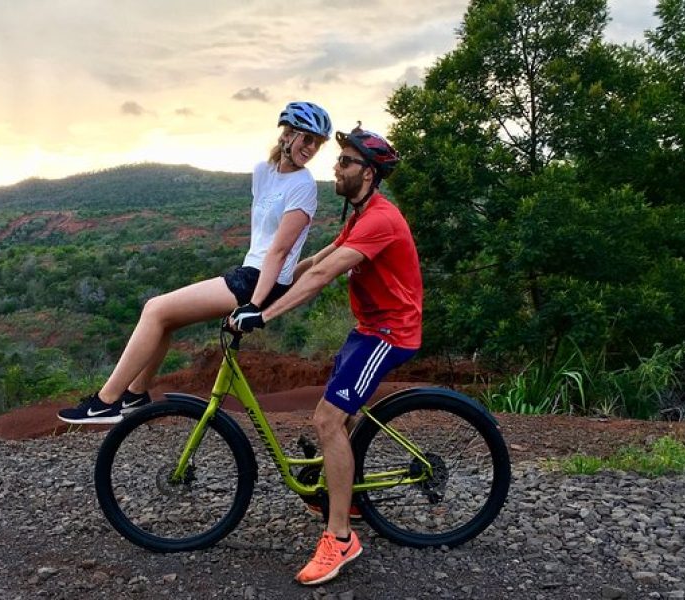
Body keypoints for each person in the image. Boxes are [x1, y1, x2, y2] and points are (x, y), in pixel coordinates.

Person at [229, 125, 423, 586]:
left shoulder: (380, 219)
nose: (335, 167)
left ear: (370, 174)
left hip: (390, 334)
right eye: (339, 161)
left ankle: (340, 536)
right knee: (340, 414)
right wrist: (272, 285)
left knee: (326, 420)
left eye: (346, 162)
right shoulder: (360, 213)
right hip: (368, 329)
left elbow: (325, 277)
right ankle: (346, 495)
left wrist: (266, 314)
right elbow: (318, 260)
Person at [58, 101, 332, 424]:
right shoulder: (263, 173)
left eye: (317, 143)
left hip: (260, 283)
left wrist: (254, 305)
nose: (311, 148)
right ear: (287, 135)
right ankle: (134, 396)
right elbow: (261, 238)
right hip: (250, 272)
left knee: (155, 309)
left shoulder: (304, 185)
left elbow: (279, 251)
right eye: (306, 138)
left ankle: (105, 402)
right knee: (165, 319)